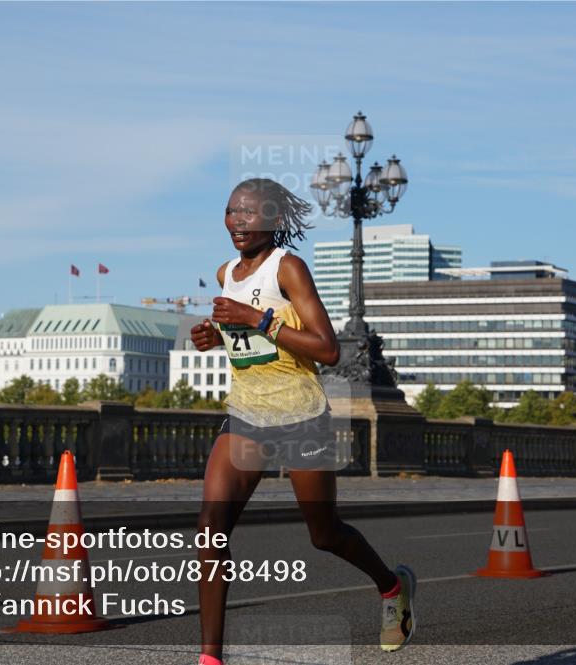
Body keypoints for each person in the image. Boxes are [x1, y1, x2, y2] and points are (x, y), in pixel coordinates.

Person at [189, 178, 416, 665]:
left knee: (324, 534)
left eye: (249, 213)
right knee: (210, 527)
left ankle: (392, 586)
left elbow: (328, 350)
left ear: (273, 219)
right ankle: (210, 658)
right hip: (246, 415)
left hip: (301, 417)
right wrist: (213, 336)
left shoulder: (288, 268)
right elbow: (245, 342)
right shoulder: (225, 272)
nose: (237, 221)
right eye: (231, 211)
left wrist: (255, 319)